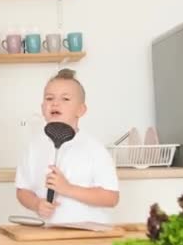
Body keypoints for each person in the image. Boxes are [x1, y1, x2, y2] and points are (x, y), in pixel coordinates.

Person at [15, 68, 119, 224]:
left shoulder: (95, 149)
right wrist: (36, 204)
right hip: (49, 234)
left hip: (89, 236)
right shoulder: (34, 147)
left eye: (65, 99)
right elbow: (23, 190)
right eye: (49, 98)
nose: (55, 103)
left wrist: (68, 189)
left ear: (81, 110)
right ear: (42, 107)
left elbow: (111, 198)